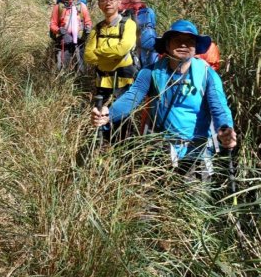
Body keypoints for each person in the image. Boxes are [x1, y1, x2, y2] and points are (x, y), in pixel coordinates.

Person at [91, 19, 237, 180]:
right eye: (177, 40)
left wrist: (225, 128)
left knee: (194, 202)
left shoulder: (207, 75)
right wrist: (108, 113)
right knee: (154, 201)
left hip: (196, 152)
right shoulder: (151, 72)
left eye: (189, 41)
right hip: (159, 150)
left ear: (196, 48)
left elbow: (219, 107)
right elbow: (132, 97)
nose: (183, 45)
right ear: (167, 45)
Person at [84, 0, 138, 103]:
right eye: (103, 0)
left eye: (111, 0)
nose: (108, 3)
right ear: (99, 4)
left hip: (124, 82)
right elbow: (88, 56)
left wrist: (99, 52)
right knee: (101, 117)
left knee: (122, 118)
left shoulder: (128, 24)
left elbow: (122, 50)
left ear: (119, 3)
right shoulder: (97, 29)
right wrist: (114, 57)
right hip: (102, 82)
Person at [49, 0, 92, 71]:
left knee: (80, 66)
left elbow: (88, 21)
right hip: (64, 40)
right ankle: (63, 83)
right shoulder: (58, 7)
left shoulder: (81, 6)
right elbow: (52, 24)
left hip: (79, 40)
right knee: (62, 67)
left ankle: (79, 82)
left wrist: (88, 28)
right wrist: (59, 31)